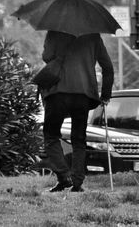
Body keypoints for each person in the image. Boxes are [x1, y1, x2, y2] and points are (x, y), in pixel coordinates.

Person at [40, 31, 114, 192]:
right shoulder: (93, 36)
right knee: (79, 139)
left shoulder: (54, 31)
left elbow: (46, 57)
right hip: (83, 93)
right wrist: (106, 95)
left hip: (57, 91)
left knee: (51, 135)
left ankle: (63, 176)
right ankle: (77, 182)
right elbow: (108, 67)